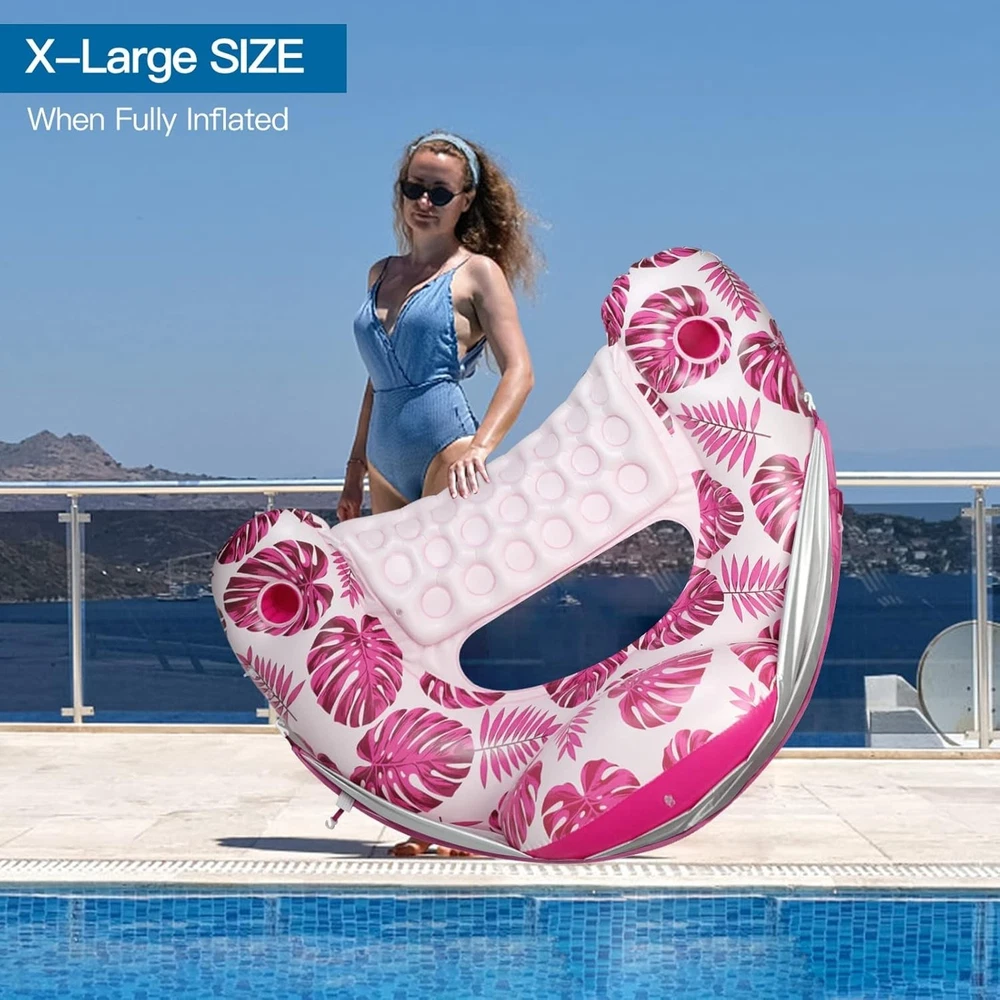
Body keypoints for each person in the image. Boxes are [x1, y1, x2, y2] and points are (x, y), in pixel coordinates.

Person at [337, 130, 540, 856]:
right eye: (413, 188)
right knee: (402, 642)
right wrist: (354, 470)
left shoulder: (477, 272)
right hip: (385, 461)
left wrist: (481, 448)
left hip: (445, 452)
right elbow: (375, 382)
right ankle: (421, 814)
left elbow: (520, 371)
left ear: (465, 201)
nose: (424, 202)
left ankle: (461, 817)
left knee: (443, 634)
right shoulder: (380, 272)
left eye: (439, 192)